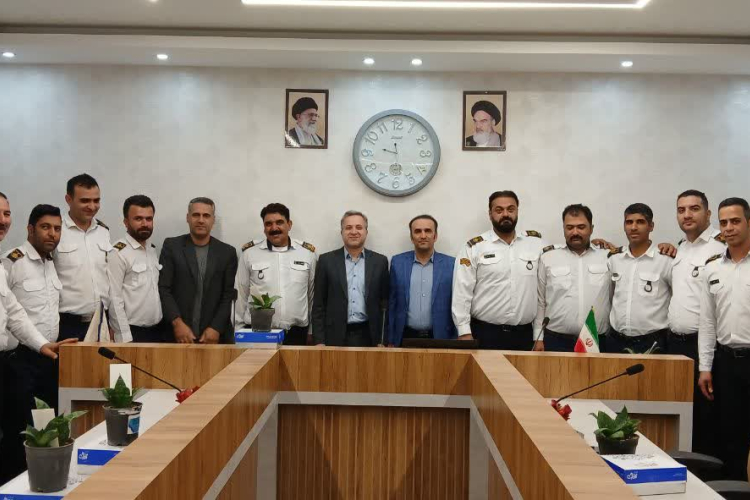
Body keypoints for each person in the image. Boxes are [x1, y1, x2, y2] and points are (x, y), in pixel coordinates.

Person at [0, 194, 76, 483]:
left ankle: (37, 481)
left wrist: (44, 345)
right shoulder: (12, 262)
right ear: (30, 229)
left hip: (45, 356)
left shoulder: (49, 263)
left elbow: (14, 312)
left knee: (44, 425)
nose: (52, 234)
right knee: (19, 428)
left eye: (57, 228)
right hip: (18, 360)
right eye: (45, 227)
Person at [667, 190, 725, 456]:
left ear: (708, 213)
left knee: (707, 416)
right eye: (681, 210)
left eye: (694, 208)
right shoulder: (681, 247)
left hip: (705, 345)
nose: (687, 215)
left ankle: (710, 474)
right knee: (681, 414)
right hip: (675, 345)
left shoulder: (720, 246)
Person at [452, 191, 548, 350]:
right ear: (490, 214)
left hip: (524, 335)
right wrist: (464, 332)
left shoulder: (536, 245)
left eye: (510, 209)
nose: (505, 214)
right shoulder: (474, 247)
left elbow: (541, 293)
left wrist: (538, 335)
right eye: (499, 210)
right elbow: (462, 292)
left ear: (517, 211)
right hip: (485, 333)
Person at [698, 197, 750, 481]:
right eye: (724, 222)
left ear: (748, 223)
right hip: (727, 363)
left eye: (735, 221)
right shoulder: (712, 268)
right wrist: (705, 368)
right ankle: (734, 490)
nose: (729, 228)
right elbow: (708, 322)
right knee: (730, 434)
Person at [158, 197, 238, 344]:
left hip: (214, 337)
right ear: (188, 218)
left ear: (213, 220)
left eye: (206, 215)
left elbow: (228, 295)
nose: (201, 220)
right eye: (196, 215)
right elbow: (163, 288)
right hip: (176, 335)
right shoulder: (172, 246)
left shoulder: (227, 252)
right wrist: (177, 323)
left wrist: (216, 328)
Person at [236, 203, 317, 345]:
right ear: (264, 228)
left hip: (297, 333)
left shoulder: (307, 254)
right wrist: (238, 330)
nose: (274, 228)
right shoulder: (249, 253)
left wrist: (312, 330)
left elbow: (312, 296)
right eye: (268, 224)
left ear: (289, 224)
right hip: (258, 332)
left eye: (279, 222)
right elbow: (241, 294)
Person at [533, 204, 611, 352]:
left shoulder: (607, 257)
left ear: (591, 228)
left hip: (596, 339)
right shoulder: (548, 257)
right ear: (563, 229)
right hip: (556, 340)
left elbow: (614, 297)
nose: (575, 232)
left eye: (581, 227)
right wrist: (538, 337)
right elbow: (540, 301)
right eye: (569, 227)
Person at [312, 211, 389, 346]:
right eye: (348, 228)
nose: (354, 232)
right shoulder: (326, 261)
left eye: (359, 227)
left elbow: (385, 304)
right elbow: (319, 305)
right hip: (334, 336)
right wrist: (319, 341)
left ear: (366, 232)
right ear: (341, 232)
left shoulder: (380, 261)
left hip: (370, 335)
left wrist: (383, 340)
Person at [606, 203, 673, 354]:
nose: (634, 227)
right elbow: (610, 296)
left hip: (653, 342)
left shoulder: (665, 260)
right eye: (629, 222)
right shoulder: (614, 259)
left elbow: (676, 299)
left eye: (640, 222)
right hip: (616, 341)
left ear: (651, 226)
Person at [54, 173, 114, 341]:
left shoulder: (103, 232)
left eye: (96, 200)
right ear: (68, 199)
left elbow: (107, 278)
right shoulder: (56, 231)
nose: (92, 206)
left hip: (101, 322)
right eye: (85, 201)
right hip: (67, 324)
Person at [387, 215, 456, 346]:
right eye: (418, 231)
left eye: (428, 231)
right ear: (411, 237)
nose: (423, 236)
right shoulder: (397, 262)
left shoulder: (451, 264)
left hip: (441, 337)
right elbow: (392, 304)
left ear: (435, 236)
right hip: (405, 337)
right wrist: (390, 339)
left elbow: (457, 303)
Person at [108, 195, 163, 343]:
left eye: (149, 219)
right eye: (138, 219)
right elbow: (114, 298)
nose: (145, 224)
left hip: (158, 331)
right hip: (133, 332)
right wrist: (124, 336)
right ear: (126, 222)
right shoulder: (118, 252)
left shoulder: (152, 249)